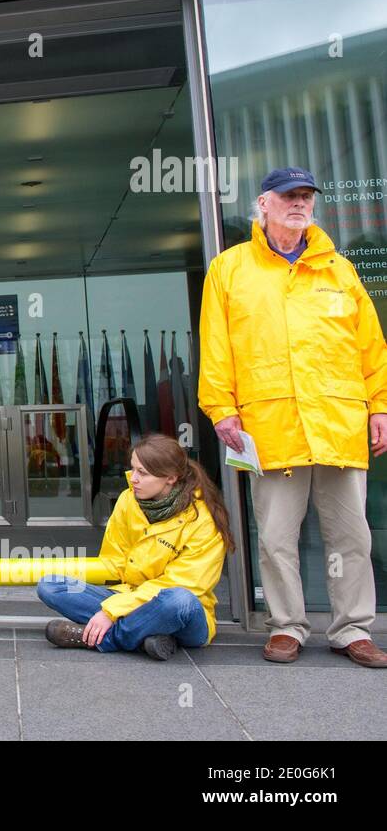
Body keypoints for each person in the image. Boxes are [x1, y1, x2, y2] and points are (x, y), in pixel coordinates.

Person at [199, 166, 387, 668]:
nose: (298, 203)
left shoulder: (339, 270)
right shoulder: (230, 268)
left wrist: (380, 405)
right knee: (277, 535)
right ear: (264, 204)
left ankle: (352, 630)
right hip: (271, 425)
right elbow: (216, 347)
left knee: (352, 536)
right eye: (288, 196)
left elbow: (371, 346)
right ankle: (287, 626)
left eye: (305, 196)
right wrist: (221, 409)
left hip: (339, 423)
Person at [36, 434, 230, 659]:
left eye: (143, 473)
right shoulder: (127, 500)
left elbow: (185, 585)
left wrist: (110, 612)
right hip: (128, 594)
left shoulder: (203, 519)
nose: (133, 479)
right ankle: (146, 637)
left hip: (182, 612)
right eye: (133, 469)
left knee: (179, 600)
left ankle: (108, 638)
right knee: (51, 586)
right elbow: (114, 563)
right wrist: (89, 583)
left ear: (171, 477)